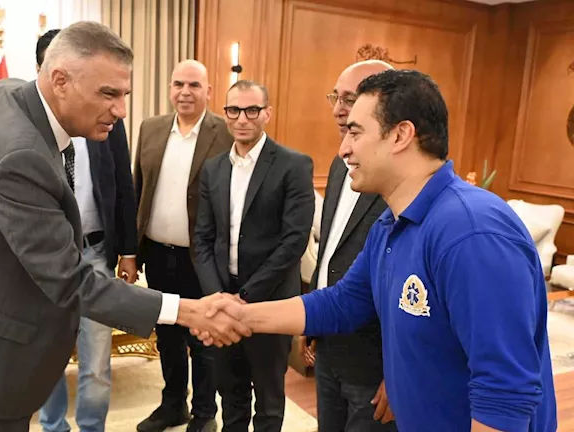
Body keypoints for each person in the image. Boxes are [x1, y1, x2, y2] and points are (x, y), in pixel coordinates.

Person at [0, 22, 248, 432]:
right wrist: (188, 310)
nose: (121, 110)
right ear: (60, 80)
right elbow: (70, 280)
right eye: (108, 94)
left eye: (124, 94)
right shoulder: (18, 155)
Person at [197, 69, 558, 432]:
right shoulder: (390, 223)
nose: (344, 149)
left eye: (355, 133)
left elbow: (504, 392)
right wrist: (241, 316)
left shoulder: (472, 231)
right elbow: (342, 303)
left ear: (400, 135)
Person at [33, 29, 138, 432]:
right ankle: (53, 427)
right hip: (46, 261)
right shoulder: (29, 128)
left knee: (96, 361)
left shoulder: (106, 120)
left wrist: (128, 250)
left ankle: (93, 427)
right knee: (48, 357)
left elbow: (123, 185)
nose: (118, 107)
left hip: (95, 253)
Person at [194, 79, 314, 431]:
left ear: (267, 113)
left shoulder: (293, 165)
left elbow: (293, 242)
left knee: (269, 399)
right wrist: (218, 297)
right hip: (222, 301)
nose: (242, 118)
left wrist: (244, 298)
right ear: (225, 114)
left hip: (271, 300)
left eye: (252, 110)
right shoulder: (214, 168)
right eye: (234, 110)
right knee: (230, 394)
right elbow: (202, 238)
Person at [132, 59, 233, 432]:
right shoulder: (151, 128)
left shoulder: (224, 133)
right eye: (179, 84)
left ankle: (205, 413)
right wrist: (131, 251)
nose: (185, 92)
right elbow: (138, 189)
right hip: (158, 254)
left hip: (202, 259)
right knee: (168, 335)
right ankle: (173, 405)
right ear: (170, 88)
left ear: (209, 91)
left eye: (194, 85)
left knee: (203, 337)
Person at [301, 60, 396, 432]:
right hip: (330, 342)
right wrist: (312, 318)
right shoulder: (340, 164)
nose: (339, 109)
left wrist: (397, 372)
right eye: (335, 98)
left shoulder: (399, 178)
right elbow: (330, 251)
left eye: (351, 99)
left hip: (374, 358)